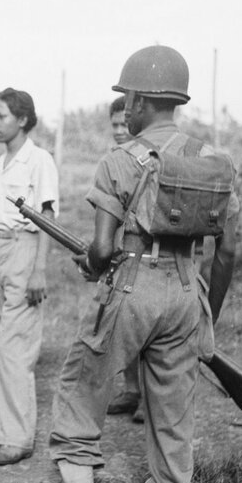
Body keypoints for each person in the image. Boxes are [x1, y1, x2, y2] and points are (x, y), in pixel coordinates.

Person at [33, 46, 237, 483]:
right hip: (188, 292)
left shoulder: (119, 160)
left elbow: (102, 249)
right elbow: (227, 250)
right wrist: (203, 310)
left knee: (83, 385)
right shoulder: (212, 160)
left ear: (143, 100)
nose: (125, 108)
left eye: (128, 98)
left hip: (131, 286)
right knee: (172, 409)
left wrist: (94, 265)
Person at [0, 88, 59, 466]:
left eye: (2, 116)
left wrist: (39, 268)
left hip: (25, 248)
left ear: (23, 119)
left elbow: (48, 218)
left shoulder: (38, 160)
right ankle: (4, 424)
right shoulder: (4, 161)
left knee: (16, 344)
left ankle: (18, 437)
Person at [105, 94, 144, 423]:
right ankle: (131, 389)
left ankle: (147, 397)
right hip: (120, 253)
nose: (119, 130)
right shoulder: (114, 160)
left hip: (144, 256)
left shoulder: (147, 161)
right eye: (114, 124)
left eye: (124, 124)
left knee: (143, 330)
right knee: (123, 328)